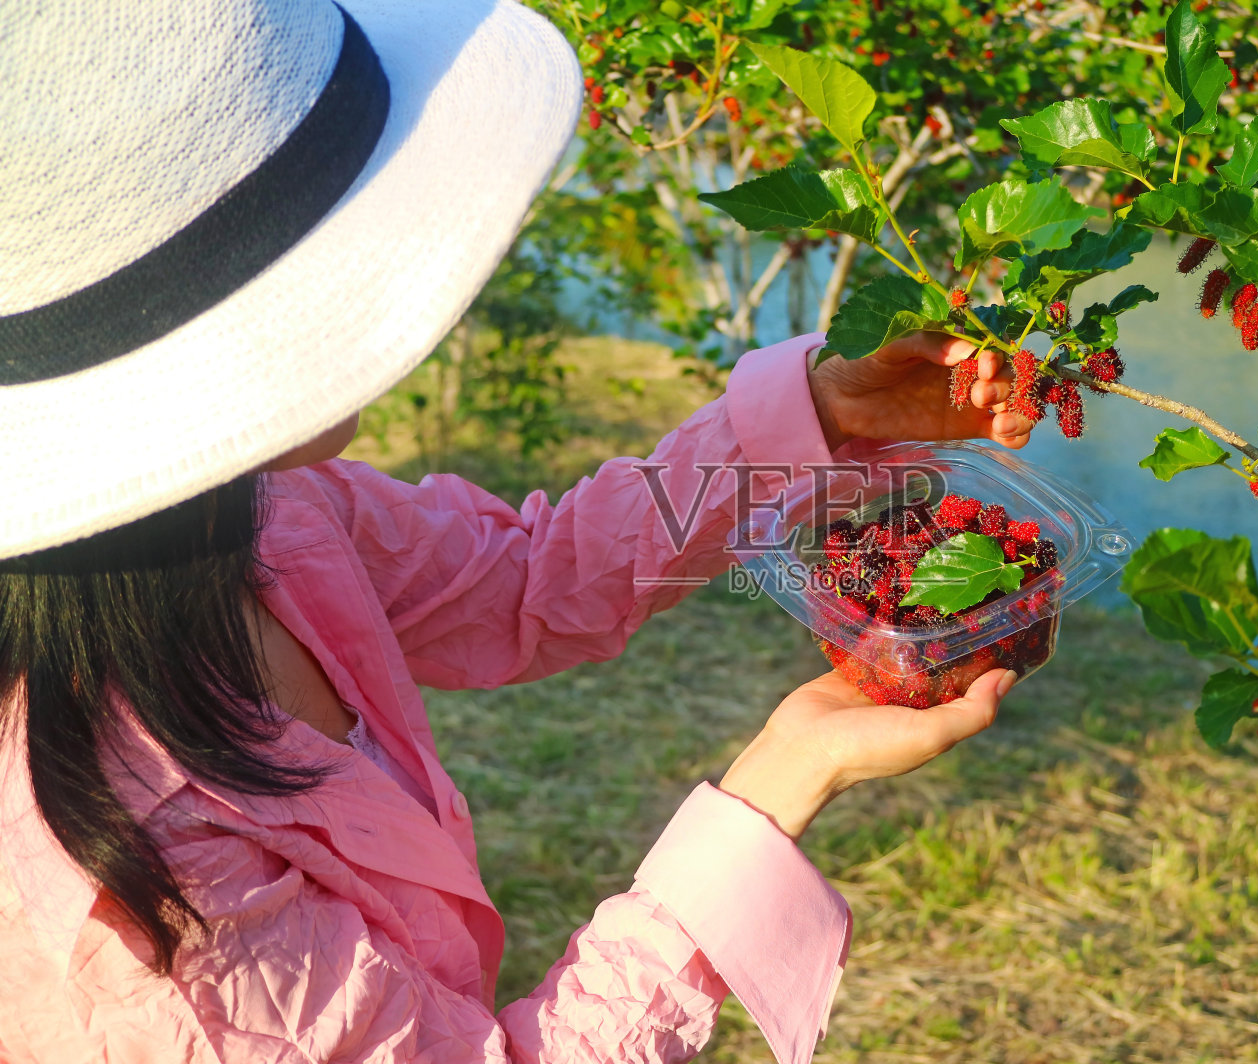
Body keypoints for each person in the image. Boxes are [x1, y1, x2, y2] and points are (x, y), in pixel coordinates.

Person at [0, 1, 1036, 1061]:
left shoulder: (266, 519)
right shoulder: (135, 885)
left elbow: (528, 578)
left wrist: (818, 414)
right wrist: (774, 785)